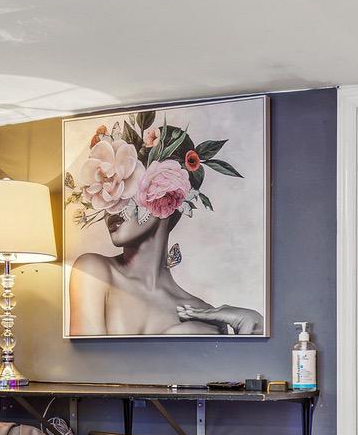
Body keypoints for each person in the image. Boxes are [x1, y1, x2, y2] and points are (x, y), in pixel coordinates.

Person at [65, 113, 263, 337]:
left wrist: (254, 325)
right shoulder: (94, 271)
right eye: (108, 191)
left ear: (170, 197)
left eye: (128, 188)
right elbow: (88, 365)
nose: (114, 205)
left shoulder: (200, 311)